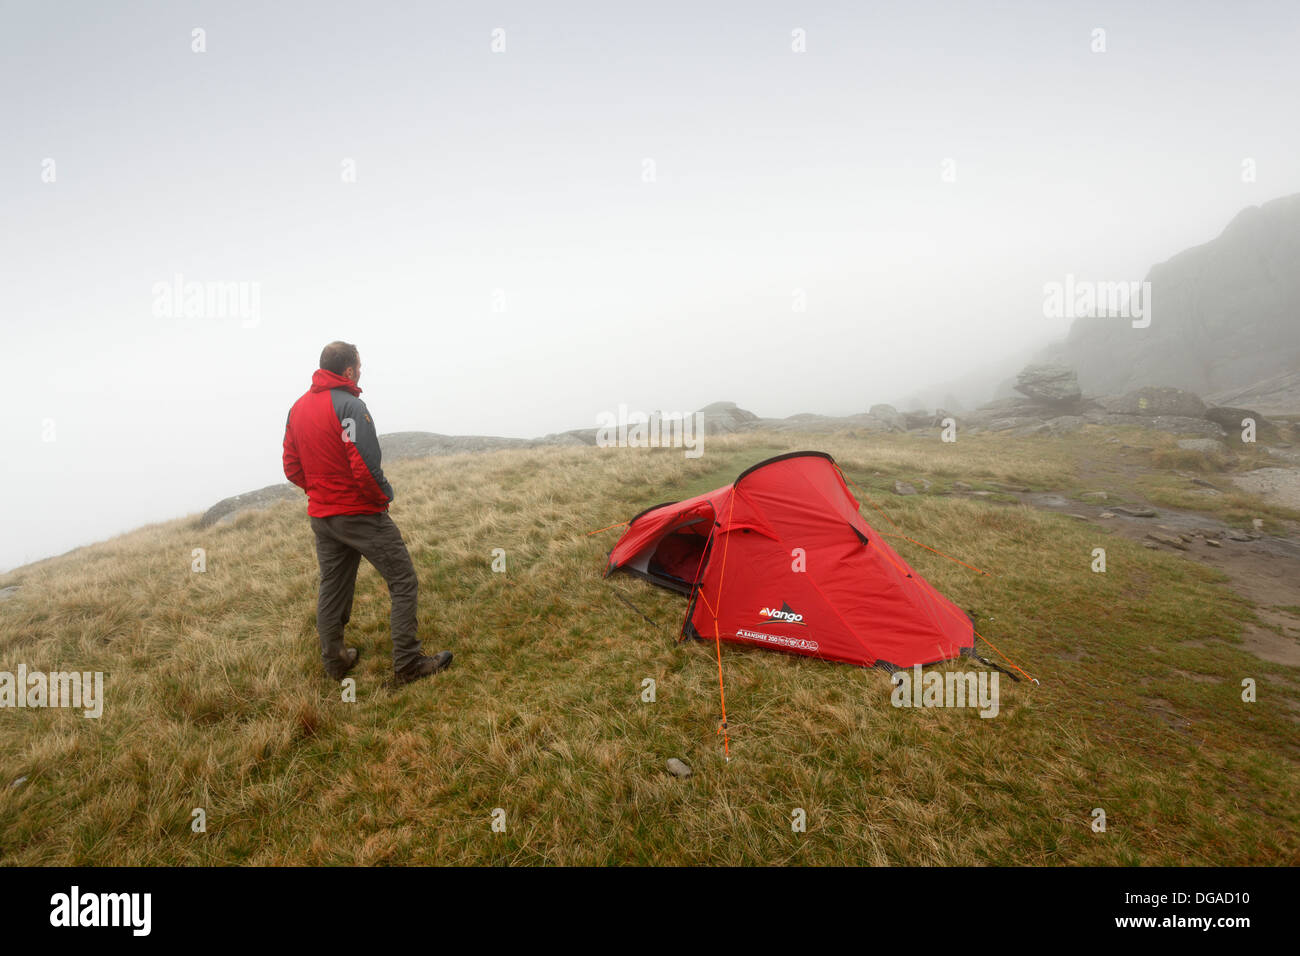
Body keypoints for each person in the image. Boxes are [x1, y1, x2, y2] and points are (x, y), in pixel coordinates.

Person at [282, 341, 452, 684]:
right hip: (360, 513)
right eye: (359, 367)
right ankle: (407, 663)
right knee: (403, 581)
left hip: (323, 517)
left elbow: (291, 465)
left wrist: (319, 492)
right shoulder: (350, 407)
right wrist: (382, 497)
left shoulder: (297, 409)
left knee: (333, 587)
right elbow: (363, 465)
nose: (361, 372)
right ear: (348, 370)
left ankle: (336, 661)